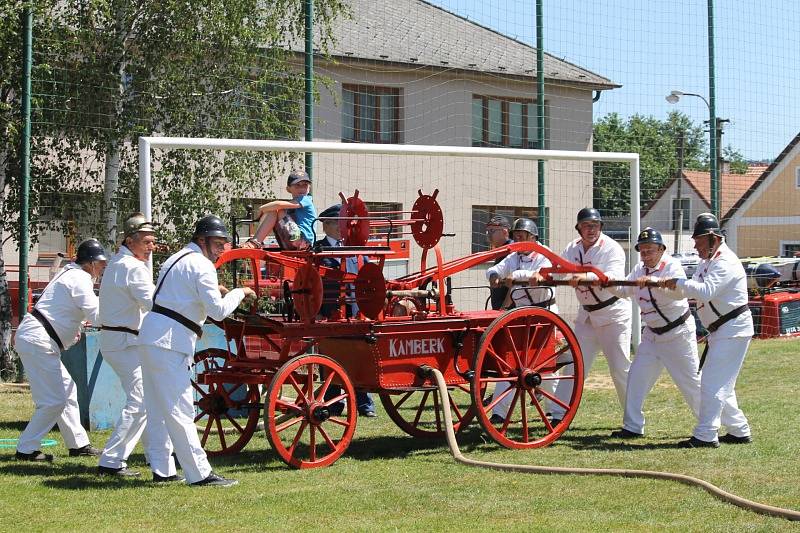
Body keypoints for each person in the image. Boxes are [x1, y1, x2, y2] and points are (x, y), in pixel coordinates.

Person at [137, 215, 255, 486]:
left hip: (152, 336)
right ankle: (199, 474)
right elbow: (217, 311)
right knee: (180, 410)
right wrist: (238, 292)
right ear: (202, 241)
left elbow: (181, 294)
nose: (220, 250)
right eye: (216, 244)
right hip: (169, 341)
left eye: (223, 244)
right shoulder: (202, 265)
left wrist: (217, 290)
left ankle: (163, 470)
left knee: (156, 409)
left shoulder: (176, 258)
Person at [660, 213, 754, 447]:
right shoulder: (707, 262)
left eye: (699, 240)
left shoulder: (725, 262)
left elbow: (705, 291)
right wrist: (664, 287)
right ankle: (739, 430)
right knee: (719, 383)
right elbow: (690, 290)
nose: (695, 245)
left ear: (713, 238)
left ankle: (705, 434)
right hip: (722, 330)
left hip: (733, 329)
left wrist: (678, 283)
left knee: (712, 383)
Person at [14, 239, 107, 462]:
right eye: (101, 263)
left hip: (39, 338)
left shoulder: (71, 274)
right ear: (90, 263)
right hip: (40, 339)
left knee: (67, 391)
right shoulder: (79, 278)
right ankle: (26, 449)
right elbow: (96, 315)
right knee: (54, 400)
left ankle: (78, 444)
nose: (103, 268)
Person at [604, 228, 701, 438]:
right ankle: (632, 427)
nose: (646, 255)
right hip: (652, 336)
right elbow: (623, 290)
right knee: (636, 379)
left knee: (691, 382)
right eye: (643, 251)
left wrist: (654, 284)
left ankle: (708, 425)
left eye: (651, 250)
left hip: (677, 333)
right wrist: (607, 282)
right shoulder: (639, 269)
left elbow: (678, 293)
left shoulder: (672, 266)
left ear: (661, 249)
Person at [96, 213, 168, 477]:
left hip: (119, 340)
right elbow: (153, 304)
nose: (152, 248)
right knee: (140, 400)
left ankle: (154, 456)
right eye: (147, 242)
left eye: (153, 242)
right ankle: (112, 461)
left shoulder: (119, 263)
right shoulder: (133, 268)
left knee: (144, 399)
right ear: (130, 241)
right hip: (125, 341)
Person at [550, 208, 632, 426]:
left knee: (619, 367)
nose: (591, 230)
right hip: (586, 316)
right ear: (579, 228)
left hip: (612, 314)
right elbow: (558, 269)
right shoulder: (572, 247)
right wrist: (540, 275)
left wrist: (584, 276)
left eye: (594, 225)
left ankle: (633, 420)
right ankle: (559, 415)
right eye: (586, 225)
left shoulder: (612, 248)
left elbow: (613, 276)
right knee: (576, 366)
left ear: (601, 227)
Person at [485, 218, 558, 423]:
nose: (517, 239)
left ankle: (554, 411)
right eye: (515, 236)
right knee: (510, 364)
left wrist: (516, 275)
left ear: (532, 238)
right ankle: (498, 413)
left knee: (546, 365)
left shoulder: (544, 254)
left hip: (544, 315)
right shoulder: (514, 255)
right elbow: (498, 269)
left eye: (521, 236)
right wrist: (493, 275)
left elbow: (544, 273)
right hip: (521, 316)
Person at [315, 204, 376, 417]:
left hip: (356, 312)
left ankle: (364, 403)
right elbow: (315, 284)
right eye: (340, 223)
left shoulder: (356, 249)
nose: (345, 228)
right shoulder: (318, 251)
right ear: (327, 225)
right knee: (332, 356)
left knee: (359, 357)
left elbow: (369, 274)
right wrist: (318, 312)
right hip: (331, 313)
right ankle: (334, 402)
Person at [242, 169, 316, 250]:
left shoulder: (306, 199)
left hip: (303, 242)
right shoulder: (293, 205)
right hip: (290, 240)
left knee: (277, 210)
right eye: (297, 185)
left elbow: (278, 204)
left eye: (305, 185)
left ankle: (255, 242)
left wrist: (262, 208)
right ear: (288, 189)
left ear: (309, 188)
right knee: (275, 211)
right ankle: (257, 240)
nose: (301, 188)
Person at [485, 215, 514, 310]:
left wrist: (504, 308)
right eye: (487, 231)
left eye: (492, 231)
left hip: (508, 311)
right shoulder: (501, 250)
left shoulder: (511, 251)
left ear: (505, 232)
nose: (488, 234)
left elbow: (514, 286)